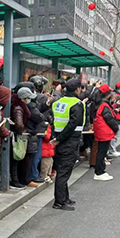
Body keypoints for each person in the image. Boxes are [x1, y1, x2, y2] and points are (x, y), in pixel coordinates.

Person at [50, 78, 85, 211]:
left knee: (61, 170)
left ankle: (65, 198)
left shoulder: (58, 102)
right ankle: (59, 202)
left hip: (60, 140)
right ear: (77, 89)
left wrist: (56, 138)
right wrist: (59, 139)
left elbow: (54, 121)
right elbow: (72, 125)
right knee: (64, 172)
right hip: (69, 140)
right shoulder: (77, 104)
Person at [93, 84, 119, 181]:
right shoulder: (104, 105)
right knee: (102, 152)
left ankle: (100, 171)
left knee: (101, 151)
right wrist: (115, 128)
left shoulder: (98, 103)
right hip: (104, 131)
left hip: (101, 130)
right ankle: (99, 172)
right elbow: (109, 119)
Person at [9, 86, 30, 189]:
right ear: (23, 98)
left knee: (16, 157)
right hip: (17, 135)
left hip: (16, 134)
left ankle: (15, 179)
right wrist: (22, 131)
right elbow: (19, 124)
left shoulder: (17, 106)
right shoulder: (19, 108)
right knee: (16, 157)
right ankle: (15, 180)